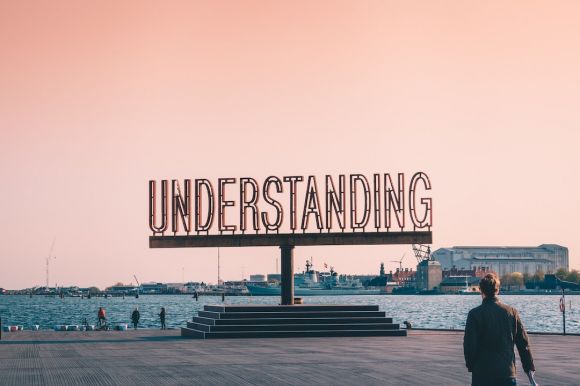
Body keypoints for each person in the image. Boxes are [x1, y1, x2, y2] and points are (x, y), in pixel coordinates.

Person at [464, 273, 536, 386]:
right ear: (497, 290)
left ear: (481, 291)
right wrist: (529, 367)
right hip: (507, 373)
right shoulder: (511, 312)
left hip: (482, 374)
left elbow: (469, 345)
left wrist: (471, 365)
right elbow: (523, 343)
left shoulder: (474, 314)